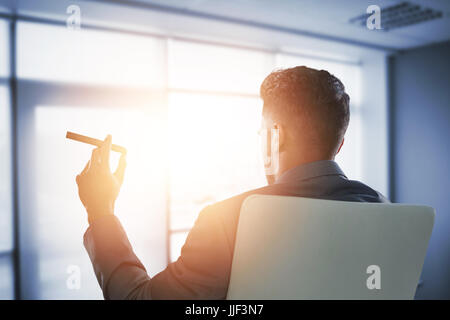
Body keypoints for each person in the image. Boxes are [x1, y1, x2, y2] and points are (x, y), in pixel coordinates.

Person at [76, 66, 388, 299]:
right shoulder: (381, 209)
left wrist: (100, 210)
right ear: (341, 144)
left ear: (273, 137)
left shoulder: (227, 222)